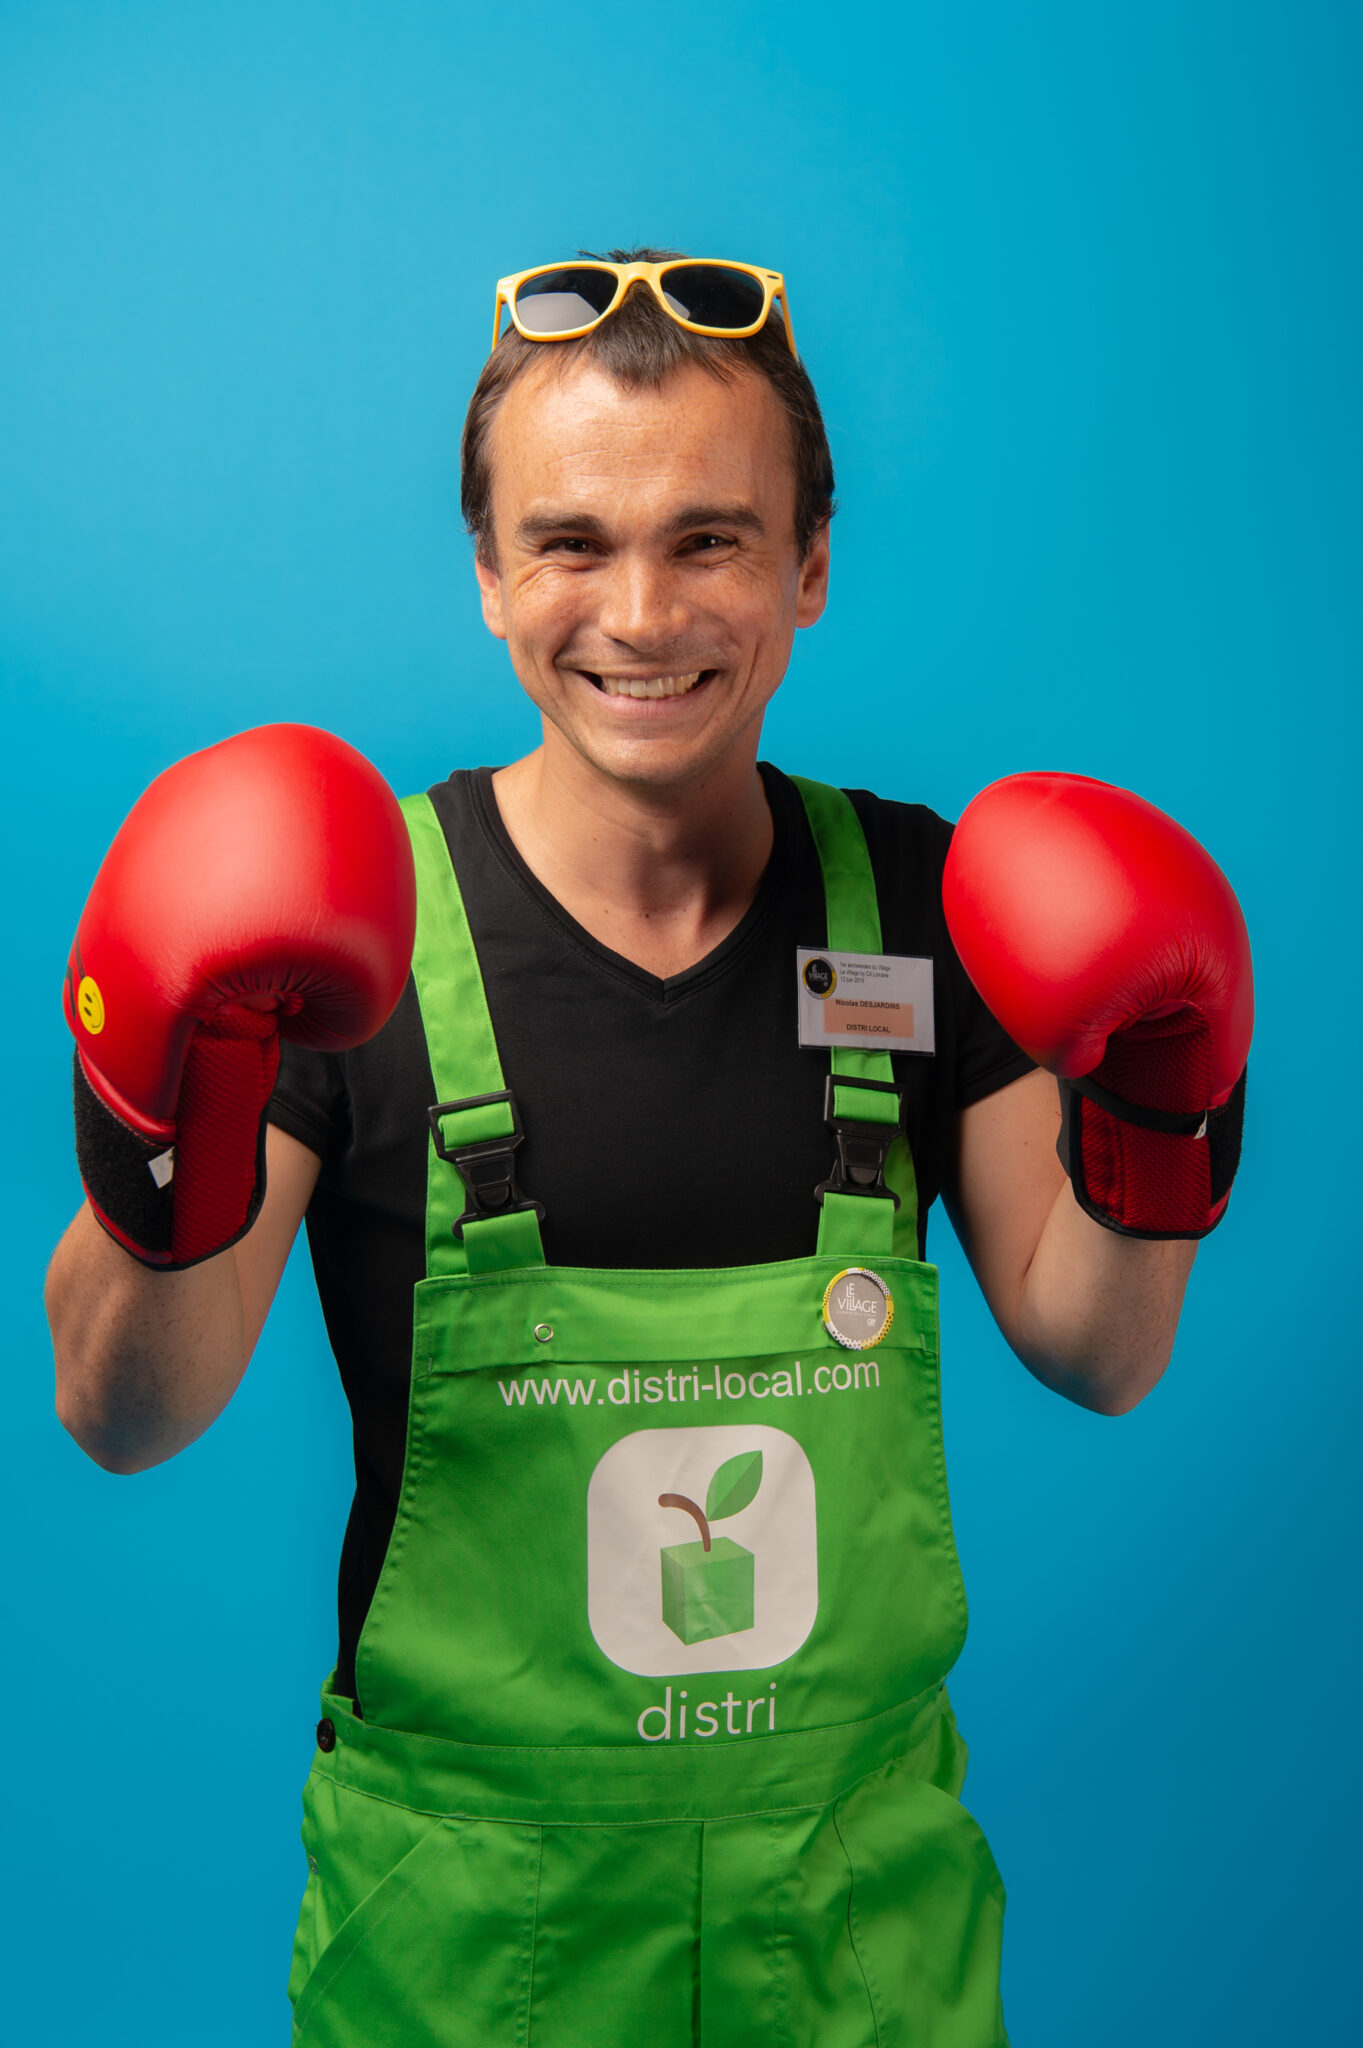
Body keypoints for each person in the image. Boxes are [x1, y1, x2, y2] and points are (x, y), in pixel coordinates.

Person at [47, 250, 1251, 2047]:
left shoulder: (930, 911)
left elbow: (1102, 1351)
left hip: (855, 1938)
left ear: (807, 566)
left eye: (710, 539)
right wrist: (168, 1109)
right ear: (487, 574)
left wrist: (1167, 1101)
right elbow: (123, 1418)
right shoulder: (351, 923)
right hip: (468, 1947)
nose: (640, 610)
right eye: (570, 542)